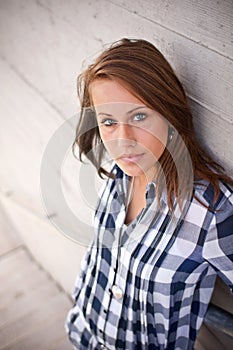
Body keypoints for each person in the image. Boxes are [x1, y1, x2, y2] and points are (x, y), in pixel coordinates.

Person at [65, 38, 233, 349]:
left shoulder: (211, 213)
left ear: (169, 115)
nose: (123, 140)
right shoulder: (117, 176)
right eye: (109, 122)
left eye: (139, 116)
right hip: (84, 334)